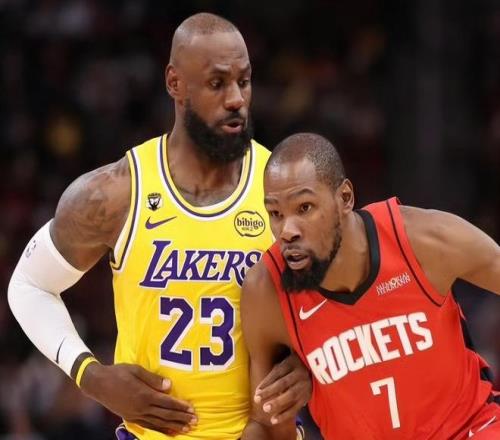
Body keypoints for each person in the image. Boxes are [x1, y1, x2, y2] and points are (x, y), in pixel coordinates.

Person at [8, 13, 310, 440]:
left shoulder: (282, 187)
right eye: (217, 83)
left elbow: (344, 298)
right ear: (174, 83)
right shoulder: (117, 192)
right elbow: (28, 285)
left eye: (244, 81)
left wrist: (310, 362)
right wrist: (90, 375)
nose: (236, 99)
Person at [241, 132, 500, 439]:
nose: (287, 230)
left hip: (469, 430)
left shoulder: (423, 240)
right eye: (275, 214)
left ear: (345, 198)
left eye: (304, 208)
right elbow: (267, 425)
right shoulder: (266, 289)